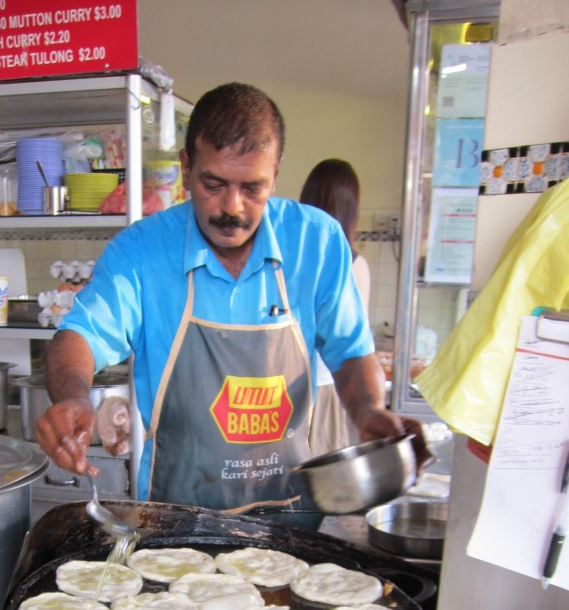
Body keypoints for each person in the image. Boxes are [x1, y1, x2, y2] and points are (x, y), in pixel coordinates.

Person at [36, 82, 405, 513]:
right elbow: (76, 338)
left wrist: (368, 411)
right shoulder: (141, 252)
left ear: (277, 173)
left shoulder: (316, 241)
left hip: (290, 518)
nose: (232, 207)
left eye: (253, 188)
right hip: (174, 523)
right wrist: (74, 398)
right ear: (187, 166)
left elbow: (351, 352)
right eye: (213, 184)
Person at [300, 158, 369, 457]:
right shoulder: (354, 265)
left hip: (281, 393)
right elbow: (353, 343)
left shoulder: (291, 259)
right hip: (327, 389)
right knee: (322, 489)